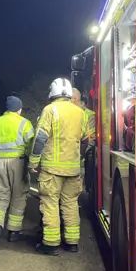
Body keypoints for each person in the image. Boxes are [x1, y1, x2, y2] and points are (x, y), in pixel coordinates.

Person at [29, 78, 87, 255]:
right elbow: (85, 141)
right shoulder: (80, 113)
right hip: (73, 169)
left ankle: (51, 244)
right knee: (70, 203)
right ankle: (72, 242)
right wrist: (79, 159)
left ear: (52, 92)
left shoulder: (50, 110)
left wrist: (33, 161)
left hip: (52, 170)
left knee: (50, 204)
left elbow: (40, 139)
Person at [0, 96, 35, 247]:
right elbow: (32, 144)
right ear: (19, 109)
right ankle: (14, 232)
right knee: (19, 196)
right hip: (18, 163)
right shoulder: (24, 123)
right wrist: (32, 160)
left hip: (0, 163)